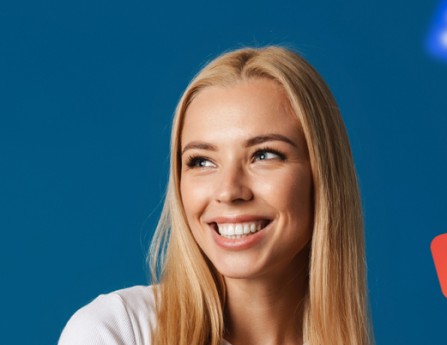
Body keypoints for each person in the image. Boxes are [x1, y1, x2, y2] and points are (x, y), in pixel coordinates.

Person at [59, 46, 373, 345]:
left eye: (264, 155)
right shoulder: (118, 331)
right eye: (202, 161)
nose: (228, 191)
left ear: (323, 175)